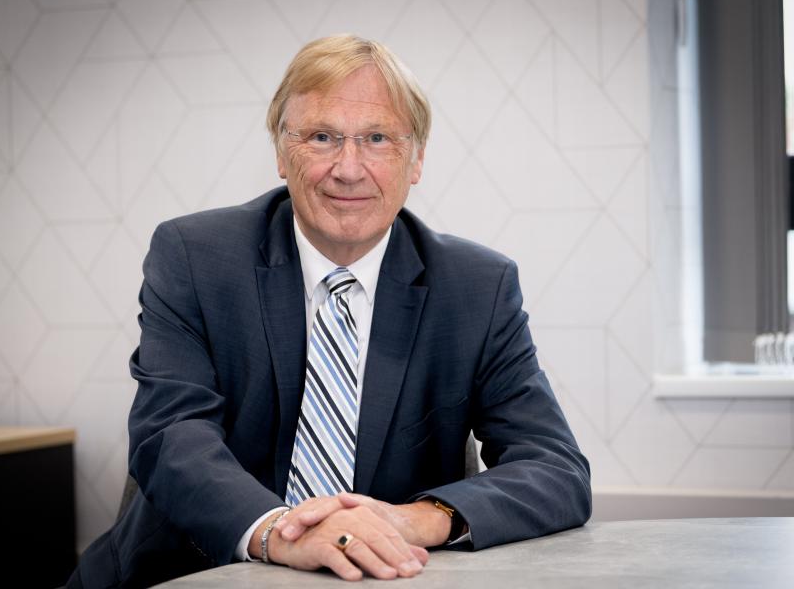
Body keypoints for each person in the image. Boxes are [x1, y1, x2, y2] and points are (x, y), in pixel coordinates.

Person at [69, 35, 591, 588]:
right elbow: (170, 435)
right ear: (280, 151)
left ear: (416, 159)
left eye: (377, 139)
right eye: (322, 137)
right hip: (183, 574)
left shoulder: (477, 288)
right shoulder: (195, 257)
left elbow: (555, 469)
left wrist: (411, 520)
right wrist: (281, 532)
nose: (349, 168)